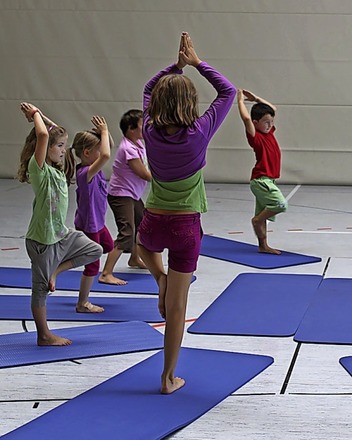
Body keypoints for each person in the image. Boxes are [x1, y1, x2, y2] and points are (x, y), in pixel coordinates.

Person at [137, 32, 235, 394]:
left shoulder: (148, 129)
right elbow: (228, 92)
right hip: (184, 228)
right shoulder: (198, 132)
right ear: (191, 102)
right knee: (176, 309)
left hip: (152, 222)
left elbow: (148, 88)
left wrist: (175, 66)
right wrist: (197, 63)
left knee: (142, 246)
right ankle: (167, 378)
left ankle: (158, 276)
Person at [17, 102, 103, 346]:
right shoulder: (39, 169)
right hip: (42, 240)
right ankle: (44, 335)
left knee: (94, 250)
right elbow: (44, 134)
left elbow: (51, 132)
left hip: (61, 234)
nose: (65, 150)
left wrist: (45, 117)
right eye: (60, 146)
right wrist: (35, 114)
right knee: (41, 289)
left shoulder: (56, 169)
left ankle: (56, 271)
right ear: (44, 150)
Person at [64, 115, 117, 312]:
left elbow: (106, 149)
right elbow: (105, 155)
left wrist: (104, 132)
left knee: (108, 246)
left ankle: (73, 256)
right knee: (93, 267)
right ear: (87, 153)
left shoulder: (95, 170)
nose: (104, 151)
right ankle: (82, 303)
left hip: (98, 223)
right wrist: (102, 131)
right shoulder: (85, 173)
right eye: (99, 149)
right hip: (89, 225)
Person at [101, 109, 152, 283]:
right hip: (121, 196)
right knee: (127, 233)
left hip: (132, 194)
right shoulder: (128, 148)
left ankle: (134, 259)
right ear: (131, 129)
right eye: (142, 125)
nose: (146, 127)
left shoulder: (138, 143)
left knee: (142, 225)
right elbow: (143, 174)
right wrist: (167, 178)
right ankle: (106, 273)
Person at [236, 88, 287, 254]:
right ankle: (256, 220)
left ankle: (262, 246)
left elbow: (273, 109)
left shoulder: (269, 132)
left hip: (269, 180)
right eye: (266, 122)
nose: (270, 125)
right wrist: (241, 101)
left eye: (271, 122)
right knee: (279, 204)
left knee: (263, 217)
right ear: (256, 122)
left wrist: (256, 98)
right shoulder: (255, 137)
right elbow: (245, 118)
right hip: (261, 180)